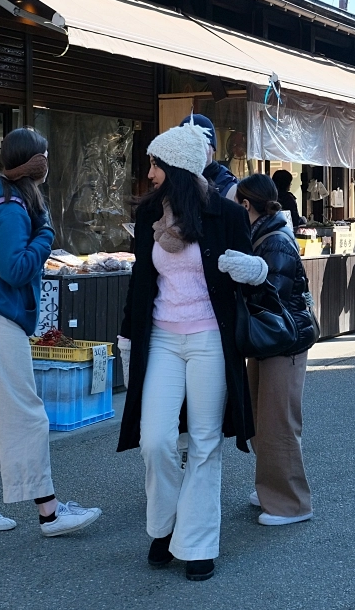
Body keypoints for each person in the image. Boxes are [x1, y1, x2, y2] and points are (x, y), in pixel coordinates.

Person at [116, 122, 266, 582]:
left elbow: (256, 275)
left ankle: (197, 543)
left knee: (204, 443)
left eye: (156, 163)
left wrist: (253, 268)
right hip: (160, 336)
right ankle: (163, 526)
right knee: (156, 439)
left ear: (177, 167)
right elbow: (143, 280)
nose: (150, 171)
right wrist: (126, 336)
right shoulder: (148, 217)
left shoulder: (226, 215)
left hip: (208, 341)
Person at [0, 127, 102, 536]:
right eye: (46, 156)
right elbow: (16, 268)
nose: (49, 163)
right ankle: (50, 512)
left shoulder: (7, 200)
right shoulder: (10, 208)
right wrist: (45, 236)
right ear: (34, 162)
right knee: (27, 414)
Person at [234, 174, 317, 526]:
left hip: (286, 341)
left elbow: (273, 294)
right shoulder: (267, 234)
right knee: (261, 417)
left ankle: (291, 504)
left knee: (278, 423)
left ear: (246, 204)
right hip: (274, 341)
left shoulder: (274, 241)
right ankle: (272, 487)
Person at [180, 114, 238, 200]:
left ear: (213, 148)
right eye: (187, 144)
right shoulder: (174, 183)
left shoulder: (229, 188)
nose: (193, 149)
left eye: (200, 144)